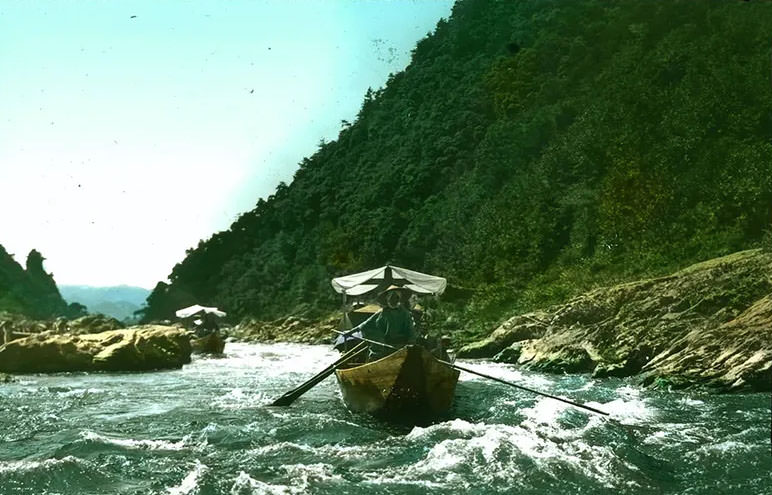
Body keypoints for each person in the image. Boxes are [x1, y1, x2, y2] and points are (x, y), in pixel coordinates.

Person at [341, 285, 417, 359]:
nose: (392, 300)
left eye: (395, 298)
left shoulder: (405, 313)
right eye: (390, 298)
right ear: (387, 300)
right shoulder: (382, 312)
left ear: (399, 299)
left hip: (400, 346)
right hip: (383, 346)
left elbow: (411, 330)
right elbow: (365, 324)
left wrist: (411, 344)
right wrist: (350, 332)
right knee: (375, 354)